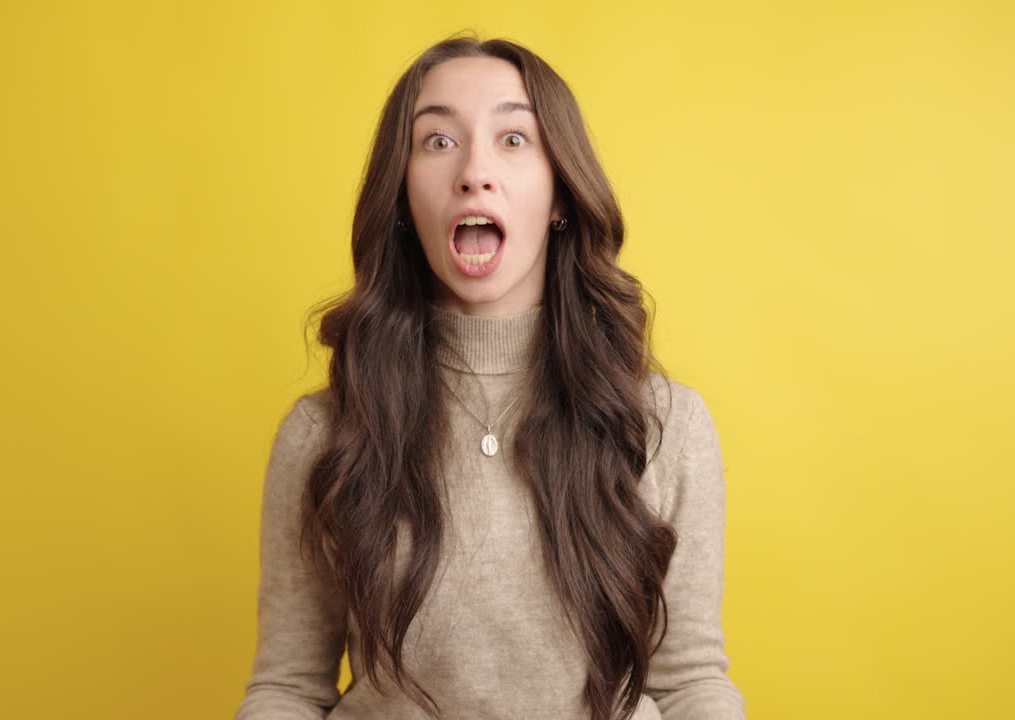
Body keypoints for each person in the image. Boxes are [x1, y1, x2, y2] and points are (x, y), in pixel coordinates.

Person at [234, 31, 747, 720]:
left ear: (561, 194)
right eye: (438, 142)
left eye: (513, 140)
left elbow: (690, 684)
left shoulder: (665, 428)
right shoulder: (326, 436)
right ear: (404, 202)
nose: (474, 170)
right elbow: (288, 689)